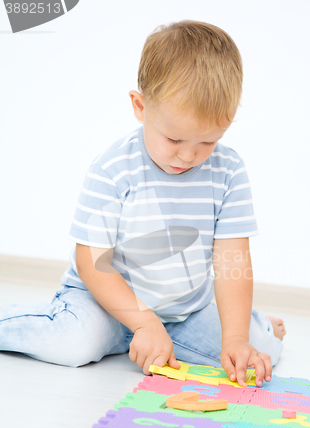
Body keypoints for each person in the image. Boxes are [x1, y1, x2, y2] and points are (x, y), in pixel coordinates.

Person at [0, 20, 286, 387]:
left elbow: (231, 259)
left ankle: (256, 324)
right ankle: (122, 334)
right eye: (174, 138)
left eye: (207, 142)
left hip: (182, 314)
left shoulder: (228, 171)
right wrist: (143, 321)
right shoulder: (113, 168)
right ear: (140, 105)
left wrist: (235, 338)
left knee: (257, 350)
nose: (188, 156)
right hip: (103, 304)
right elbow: (91, 261)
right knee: (72, 343)